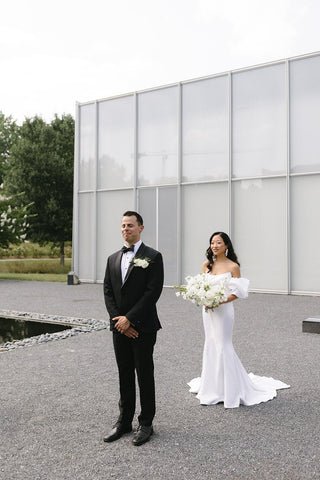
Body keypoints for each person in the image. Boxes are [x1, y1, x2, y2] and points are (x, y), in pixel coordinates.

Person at [188, 231, 290, 408]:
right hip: (208, 311)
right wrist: (204, 300)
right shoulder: (207, 265)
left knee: (223, 344)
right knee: (211, 342)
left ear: (226, 245)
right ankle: (212, 386)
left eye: (219, 243)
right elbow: (201, 287)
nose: (215, 246)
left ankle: (230, 389)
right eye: (212, 243)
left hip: (224, 310)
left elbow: (238, 292)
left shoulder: (233, 266)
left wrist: (219, 300)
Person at [103, 211, 164, 445]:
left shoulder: (153, 256)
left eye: (130, 225)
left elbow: (152, 292)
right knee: (124, 374)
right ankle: (124, 421)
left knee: (144, 374)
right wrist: (119, 321)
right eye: (123, 226)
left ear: (141, 227)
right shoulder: (112, 258)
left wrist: (131, 319)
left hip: (143, 327)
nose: (125, 229)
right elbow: (108, 292)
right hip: (119, 327)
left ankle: (146, 423)